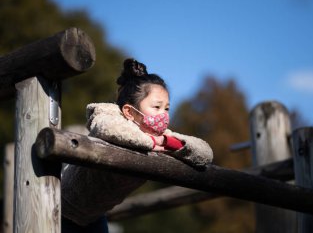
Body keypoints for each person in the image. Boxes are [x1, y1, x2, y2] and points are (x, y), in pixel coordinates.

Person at [61, 59, 213, 232]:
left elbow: (204, 152)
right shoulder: (109, 116)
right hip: (61, 208)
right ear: (129, 112)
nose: (163, 115)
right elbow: (110, 129)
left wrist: (164, 142)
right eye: (157, 107)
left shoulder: (161, 137)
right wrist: (152, 143)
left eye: (167, 109)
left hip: (94, 217)